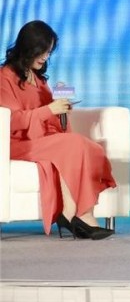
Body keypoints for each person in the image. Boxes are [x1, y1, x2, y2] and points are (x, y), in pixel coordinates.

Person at [0, 20, 116, 240]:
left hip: (43, 139)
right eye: (42, 51)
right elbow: (10, 120)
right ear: (29, 47)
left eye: (49, 52)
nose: (46, 57)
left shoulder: (39, 79)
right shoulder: (4, 77)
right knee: (75, 144)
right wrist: (49, 109)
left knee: (91, 148)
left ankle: (73, 213)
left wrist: (60, 108)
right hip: (17, 143)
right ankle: (80, 215)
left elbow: (48, 116)